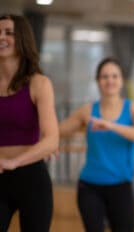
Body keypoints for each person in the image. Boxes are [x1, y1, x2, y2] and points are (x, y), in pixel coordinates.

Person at [59, 57, 134, 232]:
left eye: (114, 76)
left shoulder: (132, 108)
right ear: (97, 81)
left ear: (122, 80)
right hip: (89, 186)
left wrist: (110, 125)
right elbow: (57, 132)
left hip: (121, 187)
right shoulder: (87, 110)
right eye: (104, 76)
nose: (109, 80)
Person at [0, 14, 59, 231]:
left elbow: (52, 140)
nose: (1, 37)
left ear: (22, 38)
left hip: (31, 179)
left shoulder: (39, 83)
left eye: (8, 32)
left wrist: (14, 162)